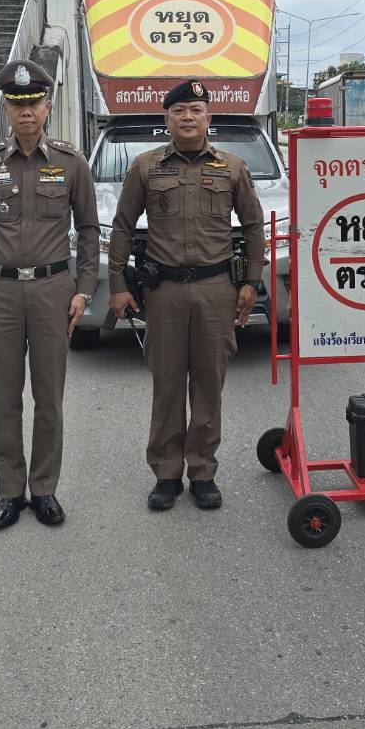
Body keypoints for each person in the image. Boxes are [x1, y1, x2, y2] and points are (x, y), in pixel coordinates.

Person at [108, 79, 263, 512]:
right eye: (179, 111)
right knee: (168, 385)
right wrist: (117, 284)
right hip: (165, 294)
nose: (188, 117)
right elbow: (122, 227)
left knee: (209, 385)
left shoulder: (232, 167)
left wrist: (250, 282)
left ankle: (203, 472)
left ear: (208, 117)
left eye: (196, 110)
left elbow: (253, 227)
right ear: (167, 118)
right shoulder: (145, 167)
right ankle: (166, 473)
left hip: (216, 290)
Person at [0, 59, 99, 530]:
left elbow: (90, 230)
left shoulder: (71, 162)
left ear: (47, 107)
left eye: (33, 103)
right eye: (16, 104)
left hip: (52, 291)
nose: (25, 111)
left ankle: (44, 489)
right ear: (6, 109)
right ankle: (9, 491)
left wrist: (85, 289)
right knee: (5, 397)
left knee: (49, 397)